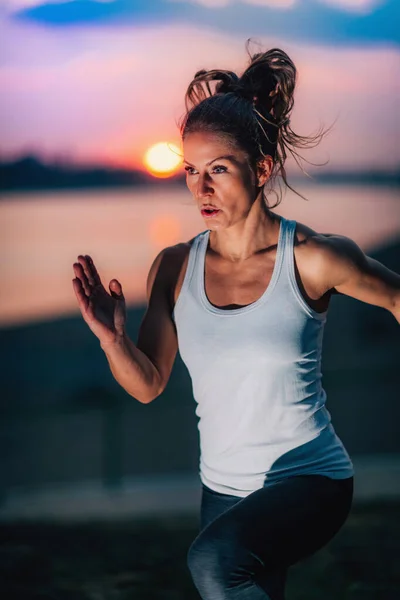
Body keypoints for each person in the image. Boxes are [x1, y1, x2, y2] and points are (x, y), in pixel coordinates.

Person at [72, 43, 400, 600]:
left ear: (262, 168)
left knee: (213, 562)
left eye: (218, 170)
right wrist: (113, 339)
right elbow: (149, 385)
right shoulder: (174, 267)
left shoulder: (314, 257)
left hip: (311, 479)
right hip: (221, 490)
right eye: (191, 171)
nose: (200, 188)